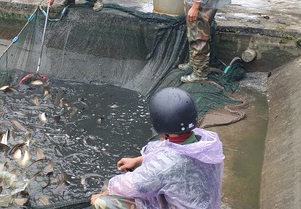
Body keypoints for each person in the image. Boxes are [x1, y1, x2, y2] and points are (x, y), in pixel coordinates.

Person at [90, 87, 224, 208]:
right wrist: (139, 160)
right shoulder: (206, 142)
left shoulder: (167, 166)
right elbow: (171, 154)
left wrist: (104, 193)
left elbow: (133, 185)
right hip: (204, 203)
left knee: (103, 203)